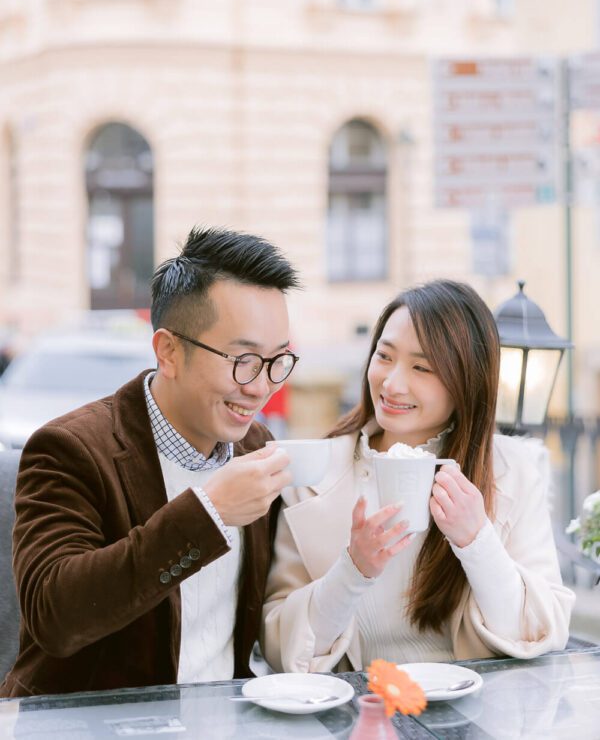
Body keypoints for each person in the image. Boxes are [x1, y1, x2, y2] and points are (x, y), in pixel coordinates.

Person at [1, 226, 300, 697]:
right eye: (243, 359)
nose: (261, 386)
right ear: (169, 351)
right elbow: (54, 616)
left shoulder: (254, 446)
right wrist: (208, 513)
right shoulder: (69, 449)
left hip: (225, 719)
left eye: (277, 360)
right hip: (88, 725)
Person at [262, 279, 574, 674]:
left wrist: (476, 540)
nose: (392, 383)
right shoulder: (317, 472)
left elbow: (540, 631)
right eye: (384, 356)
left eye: (421, 367)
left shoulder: (514, 471)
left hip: (477, 718)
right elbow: (277, 644)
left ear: (465, 381)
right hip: (357, 715)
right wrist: (352, 570)